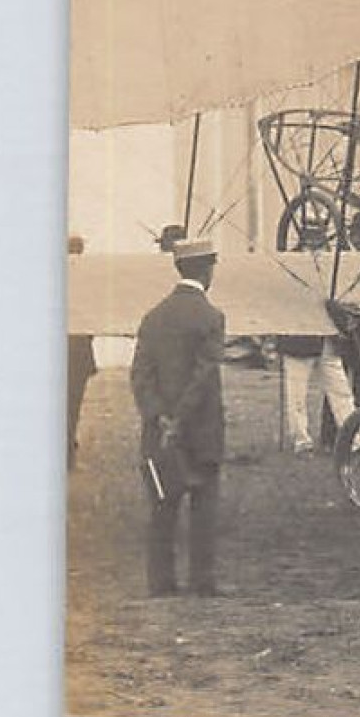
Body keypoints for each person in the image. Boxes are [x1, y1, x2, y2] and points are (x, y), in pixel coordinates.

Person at [130, 238, 226, 597]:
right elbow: (203, 377)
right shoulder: (211, 317)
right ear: (207, 270)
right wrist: (181, 419)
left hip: (159, 433)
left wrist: (160, 418)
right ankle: (202, 581)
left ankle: (161, 583)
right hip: (200, 430)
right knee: (204, 507)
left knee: (161, 507)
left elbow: (140, 375)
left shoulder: (153, 317)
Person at [67, 236, 98, 470]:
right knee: (73, 400)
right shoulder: (87, 280)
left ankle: (66, 441)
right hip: (78, 353)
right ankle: (67, 443)